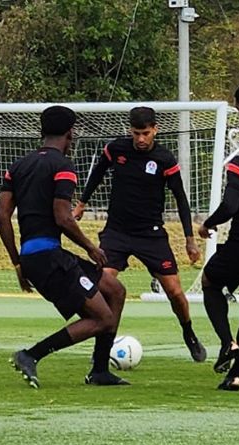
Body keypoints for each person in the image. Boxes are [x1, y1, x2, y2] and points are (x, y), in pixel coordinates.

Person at [0, 105, 128, 388]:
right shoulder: (63, 167)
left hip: (39, 256)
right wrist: (91, 247)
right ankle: (30, 355)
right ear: (71, 134)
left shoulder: (17, 167)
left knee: (115, 290)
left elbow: (2, 217)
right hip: (50, 259)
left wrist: (17, 261)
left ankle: (100, 371)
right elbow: (63, 217)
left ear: (42, 132)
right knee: (104, 319)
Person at [73, 107, 206, 362]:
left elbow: (181, 199)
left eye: (145, 133)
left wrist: (190, 240)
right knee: (103, 288)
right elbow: (97, 173)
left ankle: (188, 332)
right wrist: (82, 203)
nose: (141, 139)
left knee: (175, 292)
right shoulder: (116, 150)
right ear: (130, 130)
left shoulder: (165, 159)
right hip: (116, 232)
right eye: (136, 133)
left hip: (151, 235)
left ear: (155, 129)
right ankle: (102, 349)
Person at [198, 113, 239, 390]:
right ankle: (235, 375)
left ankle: (228, 342)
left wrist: (208, 224)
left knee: (209, 282)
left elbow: (230, 206)